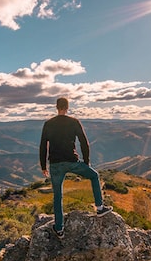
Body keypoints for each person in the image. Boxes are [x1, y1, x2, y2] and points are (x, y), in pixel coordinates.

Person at [39, 97, 112, 237]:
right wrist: (86, 161)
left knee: (57, 196)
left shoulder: (48, 124)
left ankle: (59, 228)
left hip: (55, 164)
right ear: (67, 107)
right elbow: (84, 142)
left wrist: (43, 166)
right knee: (94, 176)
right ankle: (100, 207)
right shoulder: (74, 122)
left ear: (56, 107)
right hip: (72, 161)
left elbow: (43, 146)